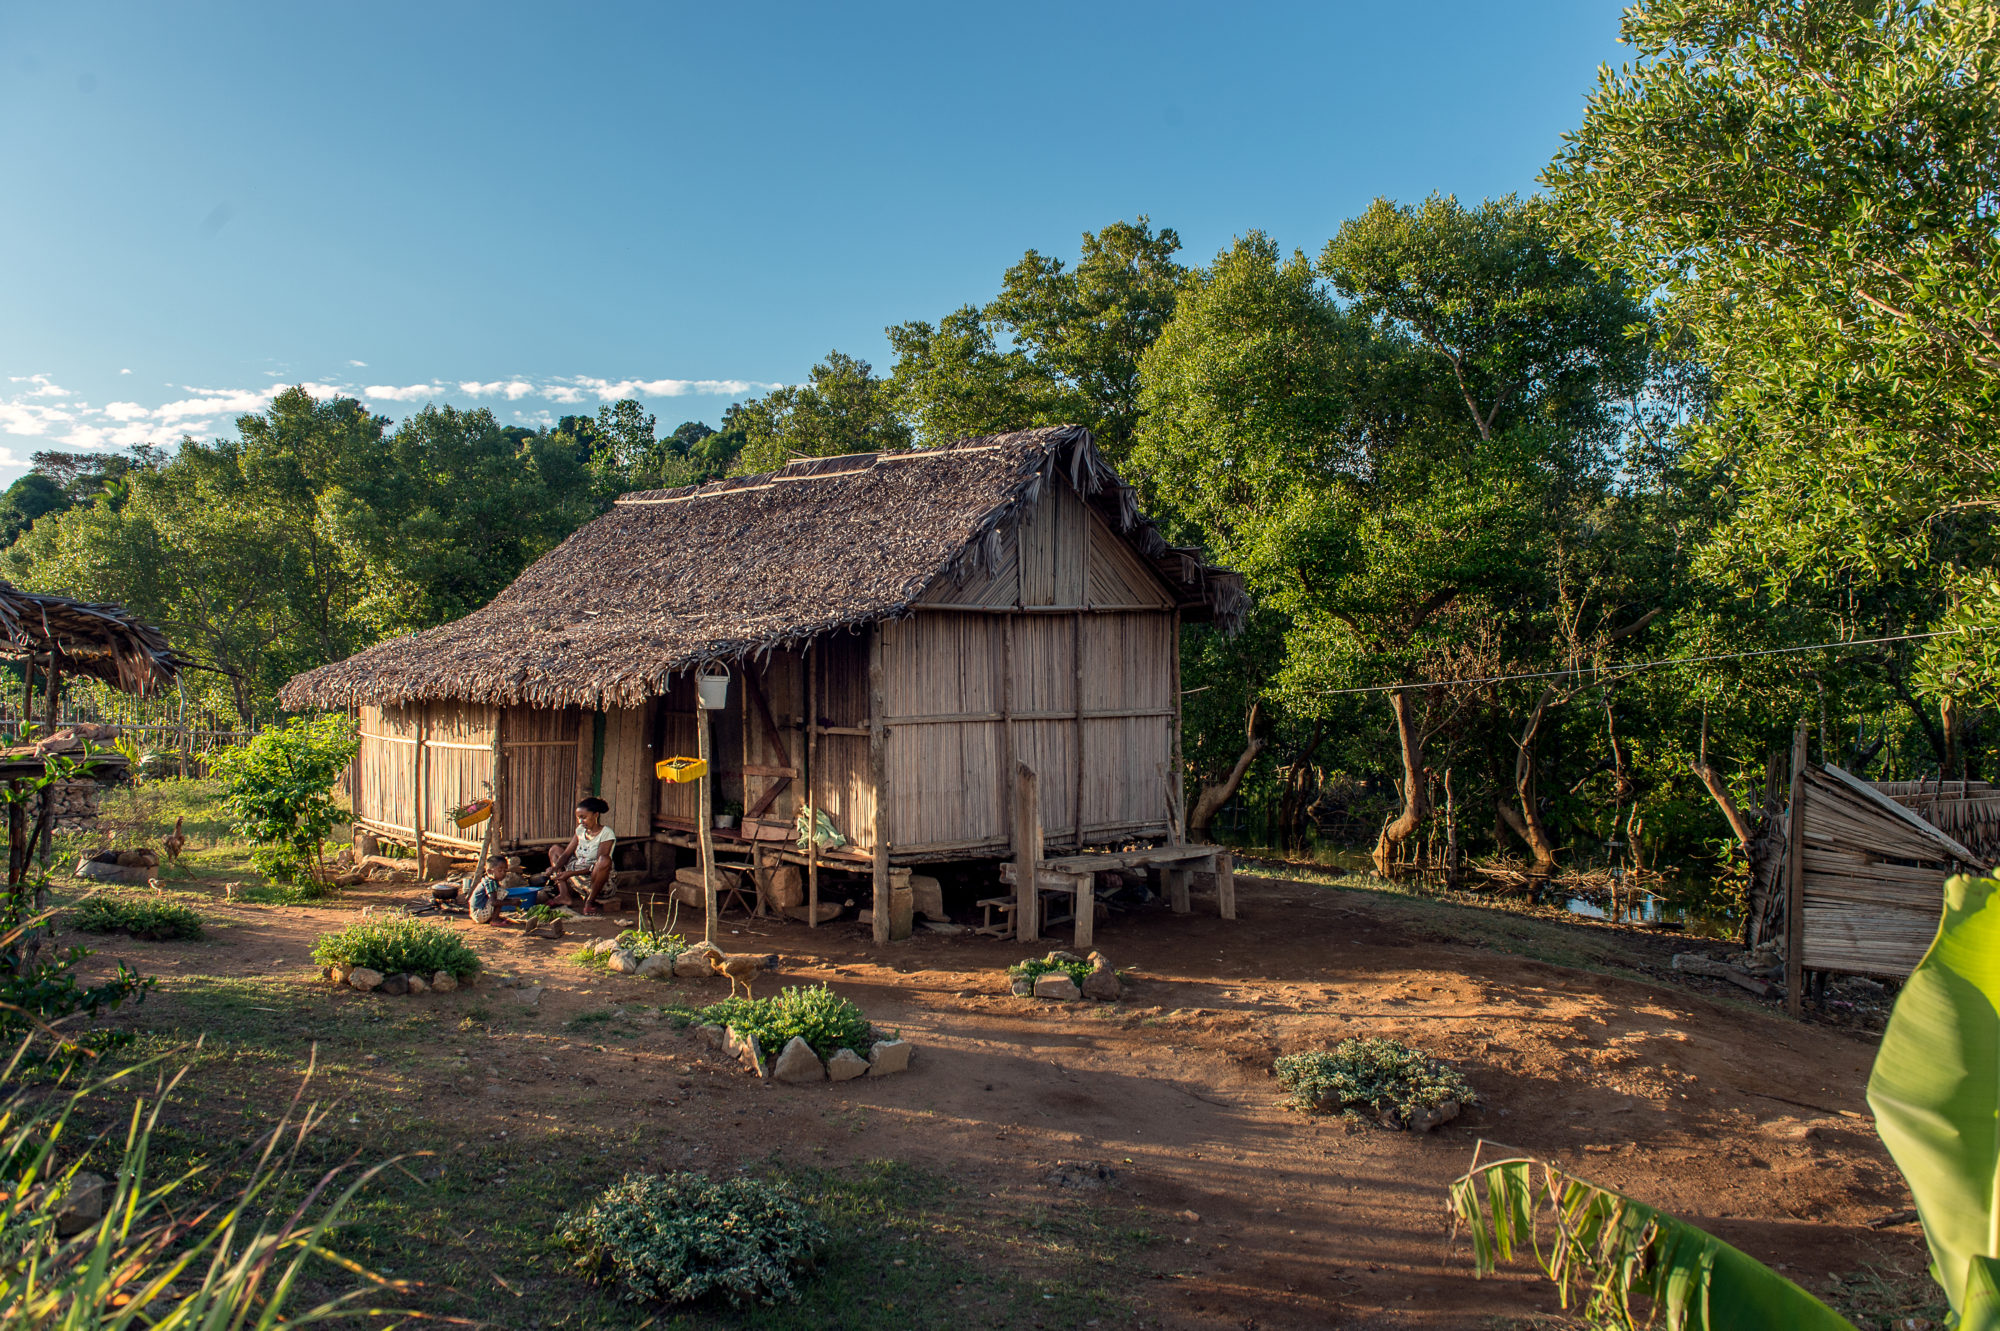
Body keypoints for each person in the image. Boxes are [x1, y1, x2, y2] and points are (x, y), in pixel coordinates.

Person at [547, 796, 615, 913]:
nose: (580, 821)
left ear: (595, 815)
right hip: (577, 874)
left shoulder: (606, 834)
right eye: (579, 818)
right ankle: (564, 895)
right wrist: (555, 868)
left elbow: (596, 866)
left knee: (604, 860)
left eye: (584, 817)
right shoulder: (580, 830)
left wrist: (570, 873)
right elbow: (566, 854)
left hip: (598, 882)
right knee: (555, 850)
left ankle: (589, 902)